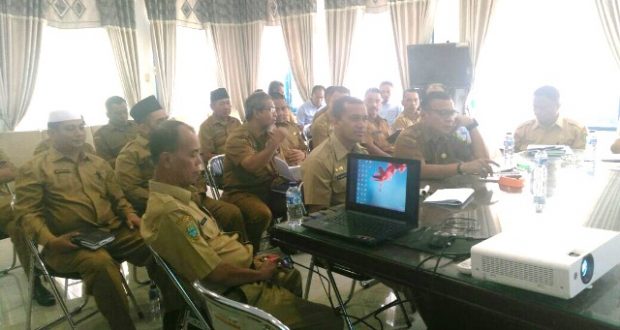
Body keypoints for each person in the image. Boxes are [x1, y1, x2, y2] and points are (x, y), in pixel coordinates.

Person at [141, 120, 343, 329]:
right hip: (232, 295)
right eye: (192, 155)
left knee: (289, 275)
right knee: (330, 320)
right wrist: (259, 274)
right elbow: (215, 274)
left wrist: (253, 261)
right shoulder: (170, 213)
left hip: (239, 273)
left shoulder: (180, 196)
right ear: (166, 160)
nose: (199, 164)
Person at [14, 110, 182, 330]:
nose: (78, 133)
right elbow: (27, 214)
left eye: (80, 127)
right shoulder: (35, 168)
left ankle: (178, 315)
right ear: (51, 133)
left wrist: (129, 214)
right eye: (70, 128)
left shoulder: (97, 163)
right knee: (100, 264)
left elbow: (118, 198)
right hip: (68, 243)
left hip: (112, 232)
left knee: (159, 244)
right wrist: (51, 240)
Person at [116, 95, 247, 240]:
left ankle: (243, 256)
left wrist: (198, 192)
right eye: (160, 121)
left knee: (231, 213)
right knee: (190, 233)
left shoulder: (178, 141)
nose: (166, 124)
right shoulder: (129, 155)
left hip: (194, 198)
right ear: (143, 127)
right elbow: (132, 190)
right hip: (165, 207)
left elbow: (198, 168)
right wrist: (174, 198)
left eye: (166, 119)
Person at [221, 91, 288, 252]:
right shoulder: (238, 137)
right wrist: (273, 145)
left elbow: (280, 164)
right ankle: (251, 252)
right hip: (241, 191)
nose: (276, 113)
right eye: (271, 109)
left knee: (299, 195)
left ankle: (286, 242)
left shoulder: (269, 133)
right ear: (257, 112)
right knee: (261, 214)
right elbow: (251, 166)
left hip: (268, 185)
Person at [394, 91, 497, 179]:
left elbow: (483, 162)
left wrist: (471, 126)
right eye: (443, 113)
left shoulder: (450, 134)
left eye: (452, 113)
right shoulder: (409, 137)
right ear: (424, 115)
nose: (449, 119)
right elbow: (419, 170)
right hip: (421, 198)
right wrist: (461, 167)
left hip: (452, 196)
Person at [0, 149, 56, 306]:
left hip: (7, 205)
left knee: (18, 225)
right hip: (8, 205)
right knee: (29, 207)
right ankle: (46, 262)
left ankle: (34, 280)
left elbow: (11, 172)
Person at [302, 96, 368, 213]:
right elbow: (318, 215)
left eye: (364, 119)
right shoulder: (319, 161)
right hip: (335, 222)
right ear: (335, 122)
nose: (361, 124)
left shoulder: (362, 152)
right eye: (355, 118)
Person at [514, 86, 588, 152]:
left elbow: (580, 161)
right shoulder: (522, 130)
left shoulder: (576, 130)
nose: (538, 112)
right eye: (535, 107)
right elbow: (510, 158)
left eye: (543, 107)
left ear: (558, 106)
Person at [198, 88, 241, 164]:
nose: (226, 107)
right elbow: (206, 155)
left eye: (228, 103)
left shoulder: (236, 122)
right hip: (220, 167)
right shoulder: (206, 127)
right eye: (221, 104)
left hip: (241, 161)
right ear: (212, 106)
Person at [93, 96, 138, 167]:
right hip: (122, 170)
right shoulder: (101, 135)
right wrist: (129, 159)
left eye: (125, 112)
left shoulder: (137, 125)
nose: (123, 116)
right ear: (108, 115)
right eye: (118, 113)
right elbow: (104, 162)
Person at [273, 93, 307, 166]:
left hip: (299, 169)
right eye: (276, 109)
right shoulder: (266, 131)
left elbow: (305, 150)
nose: (280, 113)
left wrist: (303, 155)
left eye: (283, 108)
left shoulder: (293, 127)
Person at [362, 88, 393, 155]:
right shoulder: (361, 123)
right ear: (363, 102)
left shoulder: (384, 122)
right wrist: (392, 159)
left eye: (377, 101)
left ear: (381, 104)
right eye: (370, 100)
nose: (374, 105)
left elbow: (390, 141)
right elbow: (370, 147)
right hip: (376, 161)